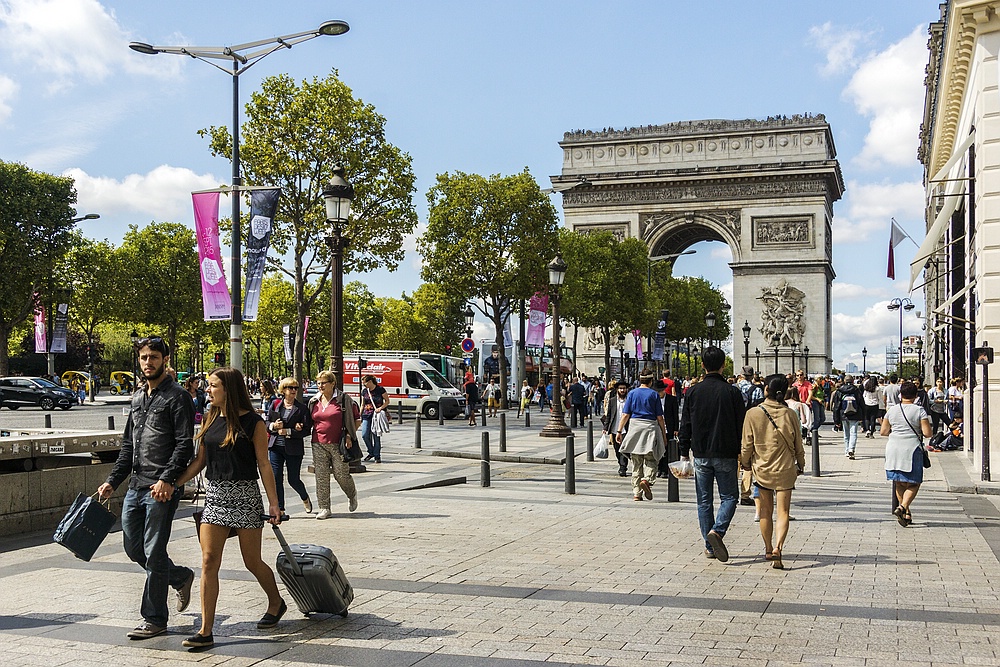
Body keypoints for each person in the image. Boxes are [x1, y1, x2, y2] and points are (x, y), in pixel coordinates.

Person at [173, 367, 286, 649]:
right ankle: (206, 630)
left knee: (252, 561)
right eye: (208, 386)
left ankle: (276, 602)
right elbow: (200, 461)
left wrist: (274, 503)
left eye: (213, 386)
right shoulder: (210, 418)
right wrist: (173, 483)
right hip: (215, 497)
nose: (207, 390)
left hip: (246, 495)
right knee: (209, 561)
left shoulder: (254, 423)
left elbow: (263, 463)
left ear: (229, 389)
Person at [96, 337, 196, 640]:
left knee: (153, 552)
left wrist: (167, 480)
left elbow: (183, 445)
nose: (148, 362)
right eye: (143, 357)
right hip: (136, 486)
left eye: (153, 356)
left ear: (165, 358)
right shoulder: (137, 398)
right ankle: (180, 576)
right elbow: (129, 446)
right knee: (133, 548)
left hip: (161, 488)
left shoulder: (178, 397)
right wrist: (113, 480)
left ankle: (154, 618)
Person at [678, 347, 747, 562]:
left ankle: (709, 546)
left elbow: (685, 424)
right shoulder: (732, 392)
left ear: (702, 365)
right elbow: (741, 424)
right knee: (730, 497)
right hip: (726, 452)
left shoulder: (692, 392)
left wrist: (683, 452)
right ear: (723, 365)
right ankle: (717, 531)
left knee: (704, 501)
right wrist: (743, 451)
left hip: (700, 452)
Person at [740, 374, 805, 569]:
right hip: (785, 468)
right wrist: (801, 464)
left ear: (765, 389)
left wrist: (744, 464)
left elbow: (746, 445)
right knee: (784, 511)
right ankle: (779, 546)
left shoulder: (753, 413)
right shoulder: (790, 414)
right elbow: (798, 444)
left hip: (762, 468)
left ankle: (768, 548)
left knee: (766, 511)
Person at [308, 370, 361, 518]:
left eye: (323, 383)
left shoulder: (344, 399)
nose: (320, 386)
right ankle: (324, 507)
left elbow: (357, 419)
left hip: (339, 443)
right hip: (318, 442)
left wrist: (350, 435)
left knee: (341, 475)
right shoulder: (314, 401)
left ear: (332, 383)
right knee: (321, 476)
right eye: (318, 383)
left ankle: (351, 493)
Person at [881, 381, 933, 527]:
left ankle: (905, 512)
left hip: (893, 448)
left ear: (900, 395)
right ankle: (903, 507)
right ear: (916, 396)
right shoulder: (919, 411)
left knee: (899, 481)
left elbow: (883, 431)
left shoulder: (891, 410)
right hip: (911, 448)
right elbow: (927, 433)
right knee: (914, 482)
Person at [266, 377, 313, 515]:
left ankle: (305, 497)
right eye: (290, 388)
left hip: (293, 449)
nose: (293, 391)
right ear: (283, 390)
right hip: (275, 447)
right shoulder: (275, 404)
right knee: (276, 479)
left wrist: (289, 431)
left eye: (295, 388)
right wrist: (273, 426)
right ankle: (280, 508)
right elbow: (267, 422)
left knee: (293, 479)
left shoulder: (302, 408)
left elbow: (306, 430)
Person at [616, 373, 666, 501]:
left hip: (635, 428)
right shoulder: (654, 394)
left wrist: (619, 431)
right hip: (650, 428)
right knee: (651, 458)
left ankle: (636, 493)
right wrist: (664, 434)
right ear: (651, 381)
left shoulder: (632, 393)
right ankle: (647, 480)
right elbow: (660, 418)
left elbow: (625, 414)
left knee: (636, 461)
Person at [832, 374, 867, 459]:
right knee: (853, 433)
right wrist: (863, 416)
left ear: (844, 381)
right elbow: (861, 404)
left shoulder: (839, 391)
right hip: (855, 414)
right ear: (852, 381)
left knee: (846, 434)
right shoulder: (856, 390)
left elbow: (836, 406)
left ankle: (847, 450)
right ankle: (851, 449)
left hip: (843, 414)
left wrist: (836, 420)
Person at [601, 380, 631, 477]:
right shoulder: (613, 400)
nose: (622, 390)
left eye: (624, 388)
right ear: (617, 389)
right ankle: (620, 463)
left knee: (624, 449)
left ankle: (623, 467)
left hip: (626, 429)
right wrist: (605, 427)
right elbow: (609, 415)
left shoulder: (629, 400)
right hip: (614, 428)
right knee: (617, 449)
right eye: (620, 388)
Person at [359, 374, 388, 462]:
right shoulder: (364, 391)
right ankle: (370, 452)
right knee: (364, 435)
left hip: (376, 415)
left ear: (370, 382)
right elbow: (363, 404)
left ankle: (377, 455)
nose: (364, 385)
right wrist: (359, 415)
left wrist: (381, 408)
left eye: (365, 383)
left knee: (376, 436)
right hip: (366, 414)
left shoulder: (380, 390)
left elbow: (387, 401)